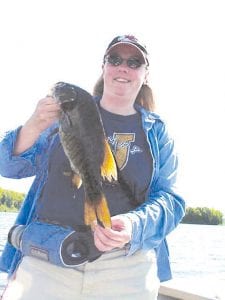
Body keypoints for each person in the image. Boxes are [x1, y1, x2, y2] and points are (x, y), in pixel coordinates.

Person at [0, 34, 185, 300]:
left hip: (126, 266)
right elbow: (8, 167)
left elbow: (170, 201)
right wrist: (34, 124)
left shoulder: (157, 133)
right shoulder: (67, 115)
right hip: (49, 258)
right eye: (115, 59)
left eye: (134, 62)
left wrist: (133, 226)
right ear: (104, 67)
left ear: (146, 74)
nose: (123, 67)